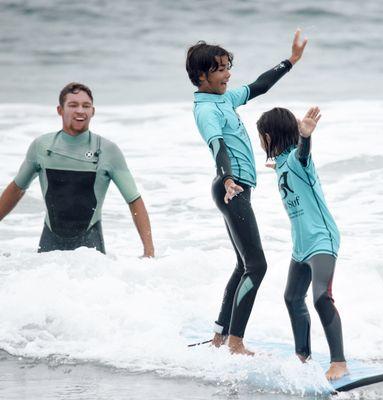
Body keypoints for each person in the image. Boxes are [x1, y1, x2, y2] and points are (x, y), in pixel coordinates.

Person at [186, 30, 307, 355]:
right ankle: (236, 342)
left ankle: (220, 336)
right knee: (257, 265)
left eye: (228, 67)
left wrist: (290, 61)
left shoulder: (224, 99)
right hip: (231, 187)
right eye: (221, 69)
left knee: (244, 265)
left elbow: (259, 86)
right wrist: (227, 179)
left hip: (237, 188)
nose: (228, 74)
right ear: (202, 75)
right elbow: (218, 146)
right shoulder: (206, 110)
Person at [0, 82, 154, 257]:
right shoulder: (41, 147)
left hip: (91, 250)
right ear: (60, 110)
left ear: (93, 112)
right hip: (48, 249)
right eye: (73, 105)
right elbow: (16, 189)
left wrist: (149, 252)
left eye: (86, 106)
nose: (80, 111)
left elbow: (134, 199)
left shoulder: (107, 150)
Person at [256, 106, 348, 380]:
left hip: (321, 239)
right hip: (301, 244)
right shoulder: (283, 164)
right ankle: (303, 357)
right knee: (292, 297)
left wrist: (305, 137)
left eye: (261, 136)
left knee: (321, 297)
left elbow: (303, 155)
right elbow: (283, 162)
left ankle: (339, 362)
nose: (259, 141)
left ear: (270, 136)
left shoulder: (297, 161)